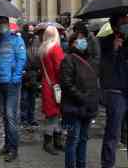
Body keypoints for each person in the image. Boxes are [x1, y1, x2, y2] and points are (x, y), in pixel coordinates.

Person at [60, 33, 99, 168]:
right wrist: (82, 97)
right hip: (74, 108)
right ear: (72, 43)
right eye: (79, 39)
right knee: (73, 140)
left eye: (84, 39)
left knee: (83, 139)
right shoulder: (68, 60)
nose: (83, 42)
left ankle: (81, 165)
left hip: (87, 107)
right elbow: (66, 84)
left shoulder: (90, 59)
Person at [0, 16, 27, 162]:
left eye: (3, 23)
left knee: (11, 115)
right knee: (5, 116)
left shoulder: (16, 39)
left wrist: (15, 77)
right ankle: (7, 145)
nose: (1, 26)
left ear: (8, 24)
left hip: (12, 83)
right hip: (1, 82)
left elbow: (22, 59)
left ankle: (14, 149)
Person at [100, 15, 128, 168]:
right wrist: (114, 50)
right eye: (124, 22)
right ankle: (107, 164)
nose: (126, 24)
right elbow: (103, 68)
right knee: (113, 133)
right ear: (116, 25)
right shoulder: (106, 41)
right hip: (115, 92)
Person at [39, 26, 65, 155]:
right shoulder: (56, 49)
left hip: (47, 85)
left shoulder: (43, 49)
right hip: (56, 86)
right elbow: (61, 70)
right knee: (54, 116)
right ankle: (50, 142)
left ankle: (55, 141)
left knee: (53, 115)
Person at [21, 24, 41, 128]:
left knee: (32, 98)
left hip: (33, 72)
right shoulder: (22, 41)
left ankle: (31, 118)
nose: (31, 33)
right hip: (24, 72)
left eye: (33, 31)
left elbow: (38, 54)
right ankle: (23, 118)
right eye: (30, 31)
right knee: (24, 98)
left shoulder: (36, 41)